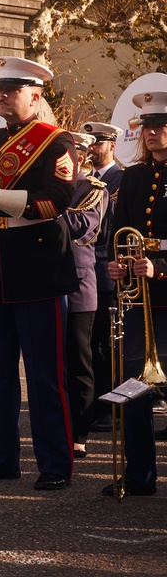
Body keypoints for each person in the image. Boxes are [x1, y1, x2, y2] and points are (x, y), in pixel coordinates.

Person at [0, 57, 78, 491]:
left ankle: (56, 463)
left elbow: (55, 202)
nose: (2, 95)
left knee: (45, 377)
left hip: (40, 270)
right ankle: (0, 457)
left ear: (35, 96)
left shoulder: (56, 143)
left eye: (12, 90)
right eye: (0, 89)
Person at [101, 91, 167, 497]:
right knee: (134, 388)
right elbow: (121, 231)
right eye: (148, 127)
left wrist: (160, 266)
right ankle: (140, 473)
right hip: (141, 299)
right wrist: (117, 264)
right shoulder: (135, 176)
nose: (154, 133)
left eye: (161, 126)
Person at [63, 133, 108, 457]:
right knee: (51, 365)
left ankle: (80, 432)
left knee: (79, 364)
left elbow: (80, 225)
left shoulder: (93, 189)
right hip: (46, 285)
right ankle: (56, 429)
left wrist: (46, 201)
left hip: (79, 288)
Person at [82, 121, 124, 427]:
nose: (93, 148)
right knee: (91, 343)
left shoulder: (120, 180)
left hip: (107, 270)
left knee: (108, 343)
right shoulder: (86, 180)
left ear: (112, 146)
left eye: (99, 143)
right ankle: (96, 402)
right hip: (89, 270)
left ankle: (111, 408)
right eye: (91, 143)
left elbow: (111, 230)